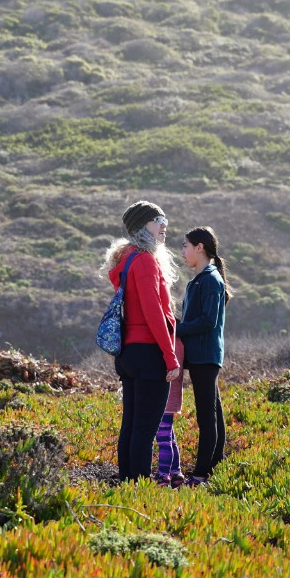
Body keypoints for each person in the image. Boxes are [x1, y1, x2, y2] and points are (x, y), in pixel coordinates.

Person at [101, 200, 180, 482]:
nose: (164, 226)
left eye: (164, 219)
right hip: (149, 354)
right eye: (158, 220)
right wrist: (171, 358)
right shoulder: (145, 260)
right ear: (142, 226)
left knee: (131, 426)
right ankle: (139, 489)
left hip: (128, 354)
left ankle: (126, 483)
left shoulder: (127, 258)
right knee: (145, 430)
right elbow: (154, 313)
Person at [177, 226, 232, 486]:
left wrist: (176, 328)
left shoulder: (210, 279)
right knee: (214, 415)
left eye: (186, 246)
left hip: (204, 356)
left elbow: (207, 321)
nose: (183, 251)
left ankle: (200, 475)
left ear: (200, 248)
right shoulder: (201, 279)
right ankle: (216, 468)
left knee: (206, 418)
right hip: (203, 356)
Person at [155, 337, 186, 488]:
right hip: (174, 395)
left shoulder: (168, 340)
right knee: (169, 435)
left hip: (165, 394)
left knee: (163, 438)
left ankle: (163, 476)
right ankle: (176, 472)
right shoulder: (178, 339)